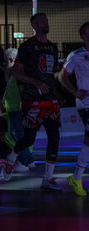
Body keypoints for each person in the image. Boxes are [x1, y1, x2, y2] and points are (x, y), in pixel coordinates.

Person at [1, 13, 62, 191]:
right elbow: (16, 72)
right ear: (35, 24)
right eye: (43, 20)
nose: (46, 22)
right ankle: (11, 159)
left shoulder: (52, 47)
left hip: (50, 99)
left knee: (54, 136)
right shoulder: (27, 47)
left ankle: (48, 178)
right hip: (32, 99)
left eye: (47, 20)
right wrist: (36, 82)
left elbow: (51, 72)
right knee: (28, 138)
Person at [59, 22, 89, 196]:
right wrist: (74, 91)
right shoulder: (76, 55)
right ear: (83, 36)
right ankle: (77, 177)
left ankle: (76, 177)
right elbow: (63, 76)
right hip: (85, 103)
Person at [3, 48, 34, 172]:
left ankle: (24, 162)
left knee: (20, 135)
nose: (5, 63)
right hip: (14, 107)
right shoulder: (15, 74)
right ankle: (29, 160)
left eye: (6, 61)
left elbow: (22, 91)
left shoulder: (18, 74)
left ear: (11, 60)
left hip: (17, 108)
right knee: (22, 135)